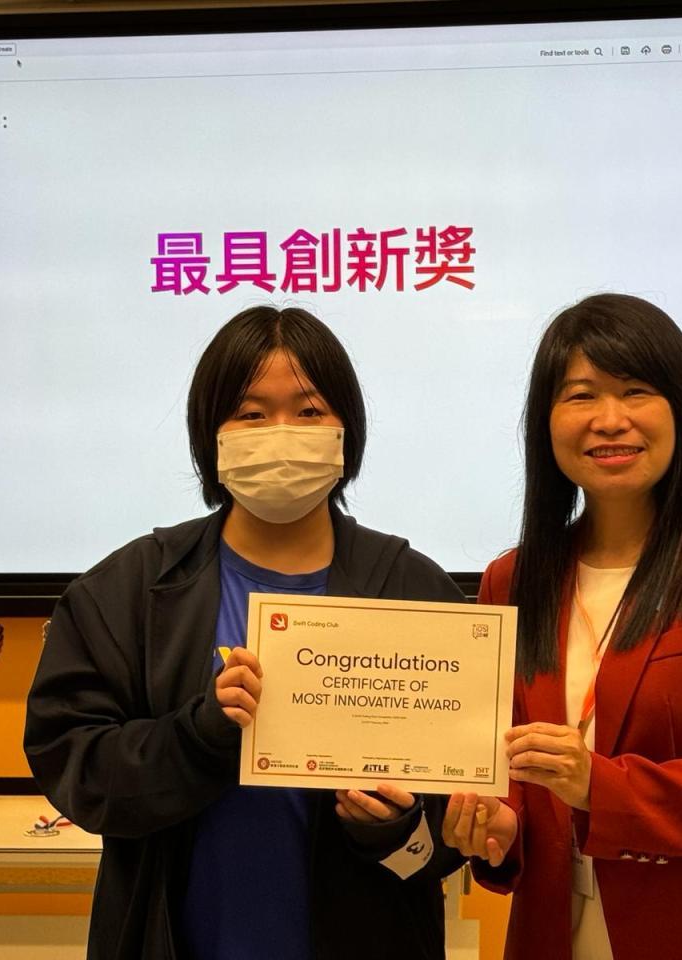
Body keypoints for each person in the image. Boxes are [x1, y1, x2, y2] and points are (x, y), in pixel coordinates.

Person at [24, 305, 465, 960]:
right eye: (252, 414)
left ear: (346, 431)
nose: (281, 434)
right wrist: (199, 735)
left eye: (309, 412)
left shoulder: (414, 589)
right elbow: (78, 774)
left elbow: (447, 837)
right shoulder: (128, 590)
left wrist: (396, 828)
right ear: (211, 434)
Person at [443, 294, 682, 959]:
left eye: (635, 391)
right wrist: (499, 827)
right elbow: (510, 773)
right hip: (557, 931)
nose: (610, 419)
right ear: (545, 421)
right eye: (581, 396)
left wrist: (601, 787)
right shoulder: (511, 581)